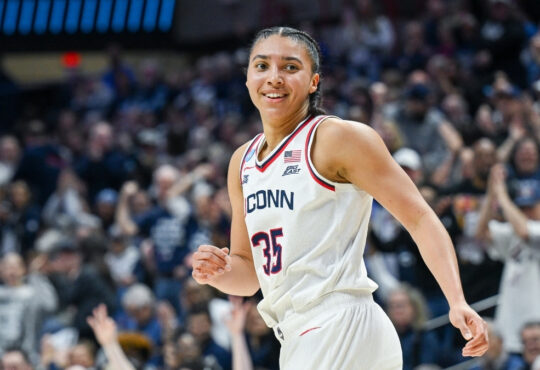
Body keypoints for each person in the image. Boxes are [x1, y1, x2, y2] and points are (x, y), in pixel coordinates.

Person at [191, 26, 488, 369]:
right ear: (247, 79)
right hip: (299, 333)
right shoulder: (241, 162)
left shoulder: (337, 138)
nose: (274, 77)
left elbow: (419, 217)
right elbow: (249, 274)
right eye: (262, 66)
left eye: (290, 67)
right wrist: (218, 272)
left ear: (314, 82)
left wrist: (457, 300)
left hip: (338, 323)